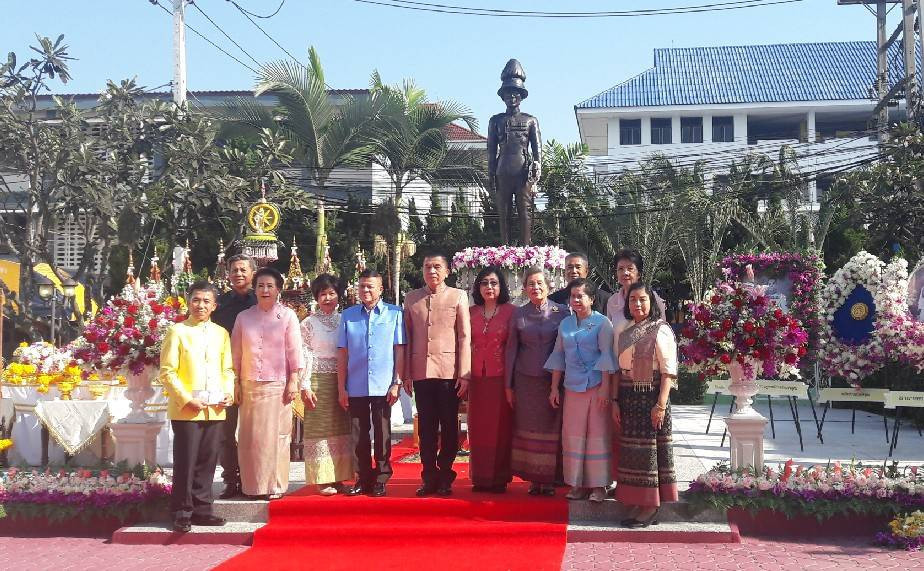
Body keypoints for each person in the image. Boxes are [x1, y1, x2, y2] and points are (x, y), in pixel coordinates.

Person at [160, 281, 235, 532]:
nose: (200, 305)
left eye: (206, 301)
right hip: (186, 409)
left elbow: (227, 369)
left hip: (214, 407)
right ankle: (181, 510)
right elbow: (167, 372)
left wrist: (228, 392)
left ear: (214, 306)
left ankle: (203, 509)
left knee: (208, 461)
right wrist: (185, 399)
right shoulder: (177, 331)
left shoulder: (221, 333)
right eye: (196, 300)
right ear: (188, 302)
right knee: (186, 461)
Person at [231, 267, 304, 500]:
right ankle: (251, 487)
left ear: (278, 290)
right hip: (250, 384)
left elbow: (295, 351)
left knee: (278, 437)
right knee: (250, 438)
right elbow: (235, 355)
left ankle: (275, 485)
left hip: (278, 386)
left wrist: (294, 380)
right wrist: (235, 383)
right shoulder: (243, 318)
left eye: (270, 286)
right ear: (255, 289)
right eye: (260, 286)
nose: (265, 290)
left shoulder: (288, 317)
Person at [404, 253, 471, 496]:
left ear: (447, 271)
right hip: (421, 372)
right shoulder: (412, 299)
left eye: (437, 267)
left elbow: (464, 336)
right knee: (426, 429)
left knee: (450, 426)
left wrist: (465, 374)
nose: (432, 271)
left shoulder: (458, 296)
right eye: (427, 266)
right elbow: (407, 338)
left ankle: (446, 473)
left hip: (449, 372)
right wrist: (406, 374)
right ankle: (428, 475)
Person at [613, 282, 679, 528]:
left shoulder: (660, 330)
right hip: (629, 396)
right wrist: (615, 401)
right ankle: (637, 501)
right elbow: (619, 368)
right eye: (632, 300)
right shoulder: (626, 329)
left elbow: (668, 372)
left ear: (651, 302)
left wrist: (660, 405)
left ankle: (650, 506)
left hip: (650, 396)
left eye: (642, 299)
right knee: (632, 453)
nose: (637, 304)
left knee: (649, 453)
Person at [337, 269, 406, 497]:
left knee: (383, 432)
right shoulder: (348, 316)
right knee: (359, 433)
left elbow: (399, 350)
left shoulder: (395, 314)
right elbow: (343, 353)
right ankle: (362, 477)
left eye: (370, 286)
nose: (365, 290)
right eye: (362, 286)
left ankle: (382, 477)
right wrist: (341, 387)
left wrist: (397, 382)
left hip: (383, 383)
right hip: (355, 383)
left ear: (380, 289)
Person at [546, 279, 614, 503]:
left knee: (597, 435)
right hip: (572, 387)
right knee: (573, 436)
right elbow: (558, 356)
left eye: (580, 296)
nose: (575, 300)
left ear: (591, 299)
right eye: (572, 296)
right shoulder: (565, 324)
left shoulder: (603, 324)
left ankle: (598, 486)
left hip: (596, 387)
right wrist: (554, 387)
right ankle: (576, 485)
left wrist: (605, 390)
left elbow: (606, 356)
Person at [505, 267, 567, 496]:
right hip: (525, 381)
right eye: (531, 284)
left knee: (552, 430)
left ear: (548, 286)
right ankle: (533, 479)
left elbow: (566, 348)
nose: (536, 287)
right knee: (527, 429)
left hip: (553, 381)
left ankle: (549, 479)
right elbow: (511, 349)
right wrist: (508, 385)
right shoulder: (518, 314)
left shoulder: (562, 312)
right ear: (524, 288)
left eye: (540, 283)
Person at [299, 274, 353, 496]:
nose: (328, 298)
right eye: (323, 294)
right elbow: (304, 354)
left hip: (342, 381)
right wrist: (305, 385)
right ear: (316, 297)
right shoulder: (308, 324)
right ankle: (322, 479)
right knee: (320, 430)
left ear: (338, 296)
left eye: (332, 293)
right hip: (317, 381)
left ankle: (340, 476)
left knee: (342, 428)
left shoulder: (346, 320)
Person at [212, 253, 257, 500]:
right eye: (234, 270)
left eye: (243, 270)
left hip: (255, 374)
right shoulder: (219, 305)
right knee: (225, 431)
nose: (238, 274)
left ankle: (252, 479)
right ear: (227, 274)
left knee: (253, 431)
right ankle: (231, 479)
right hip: (225, 375)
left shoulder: (260, 300)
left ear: (252, 273)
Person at [468, 266, 516, 493]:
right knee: (478, 429)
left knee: (501, 429)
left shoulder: (512, 312)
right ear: (478, 287)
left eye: (494, 283)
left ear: (501, 286)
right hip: (476, 378)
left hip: (501, 379)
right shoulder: (470, 313)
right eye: (484, 283)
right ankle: (480, 477)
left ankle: (499, 478)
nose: (489, 287)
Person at [605, 249, 667, 345]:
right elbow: (610, 336)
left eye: (630, 268)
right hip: (619, 357)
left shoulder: (653, 298)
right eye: (621, 269)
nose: (625, 273)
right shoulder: (612, 302)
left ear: (639, 274)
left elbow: (663, 333)